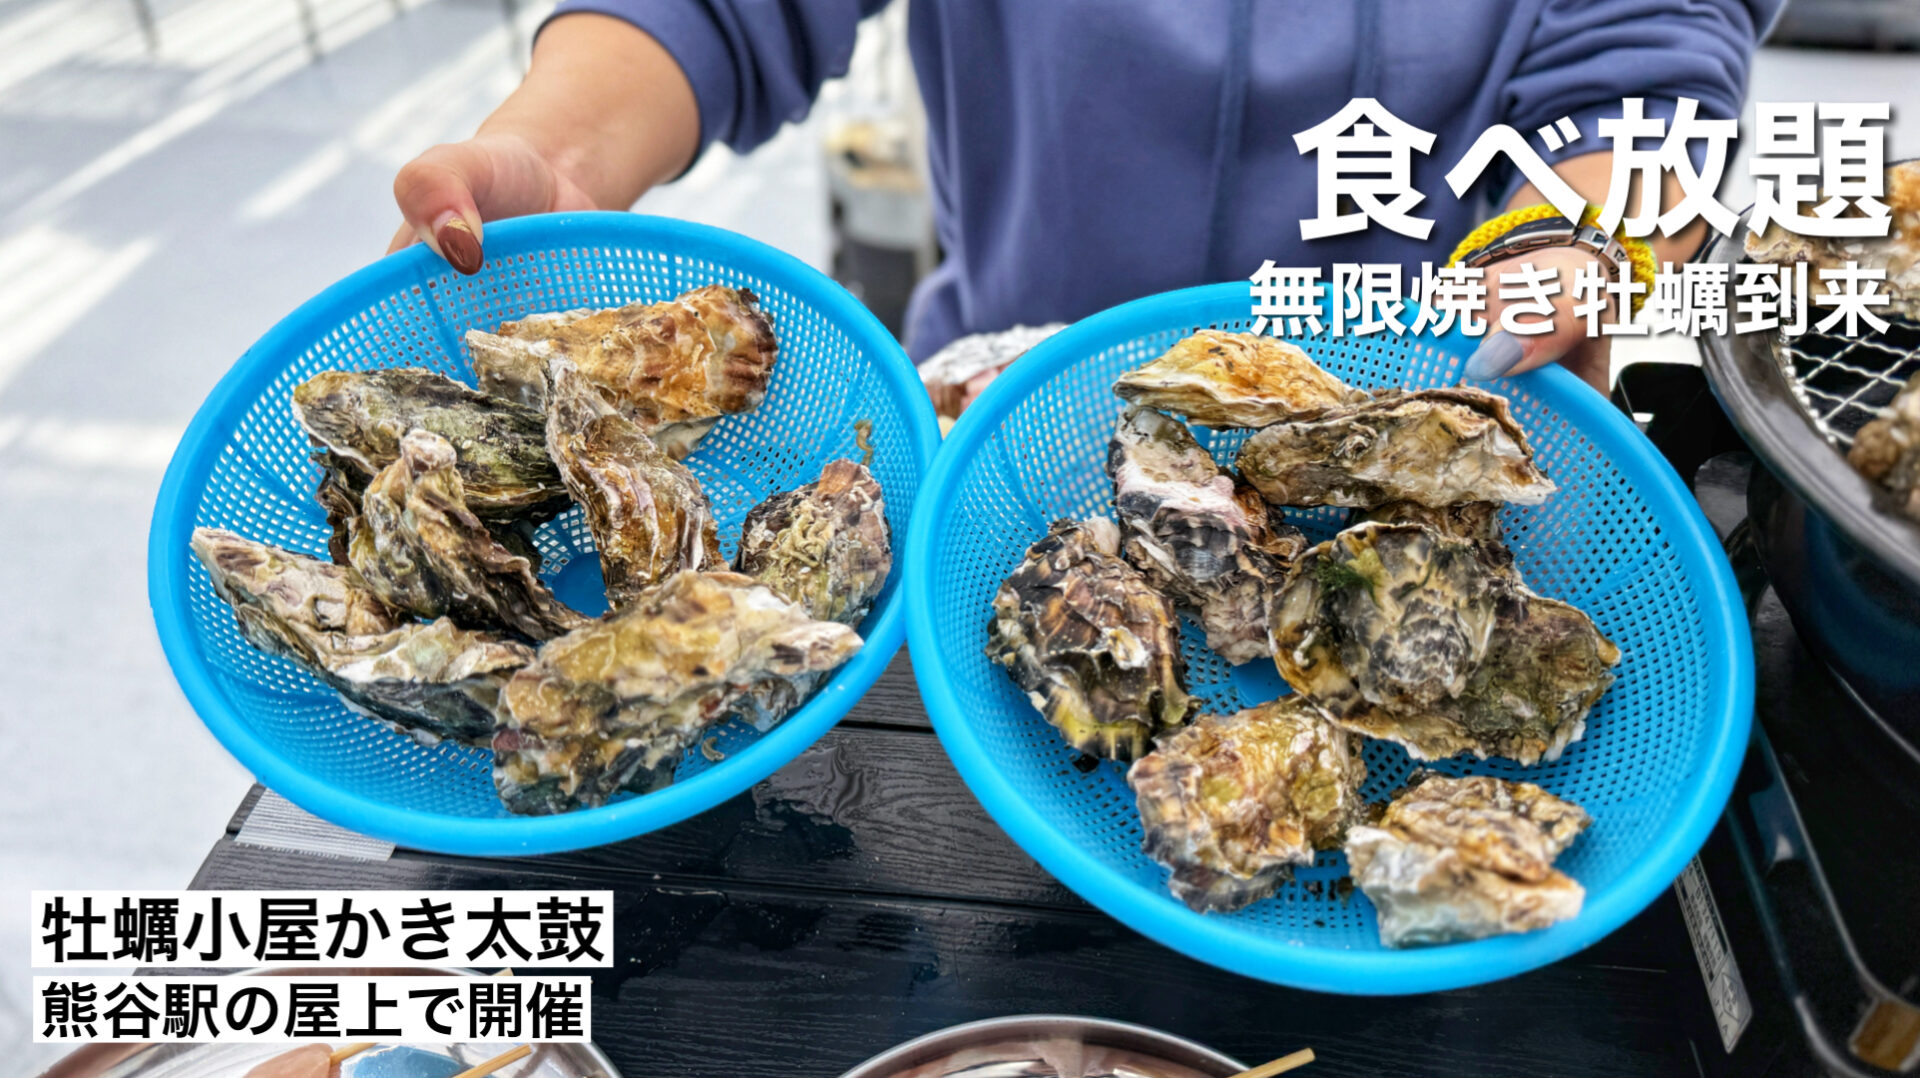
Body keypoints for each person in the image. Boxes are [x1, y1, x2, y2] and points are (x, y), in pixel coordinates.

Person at [389, 0, 1779, 397]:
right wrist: (556, 159)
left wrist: (1578, 241)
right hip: (1002, 414)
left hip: (1431, 423)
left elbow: (1646, 68)